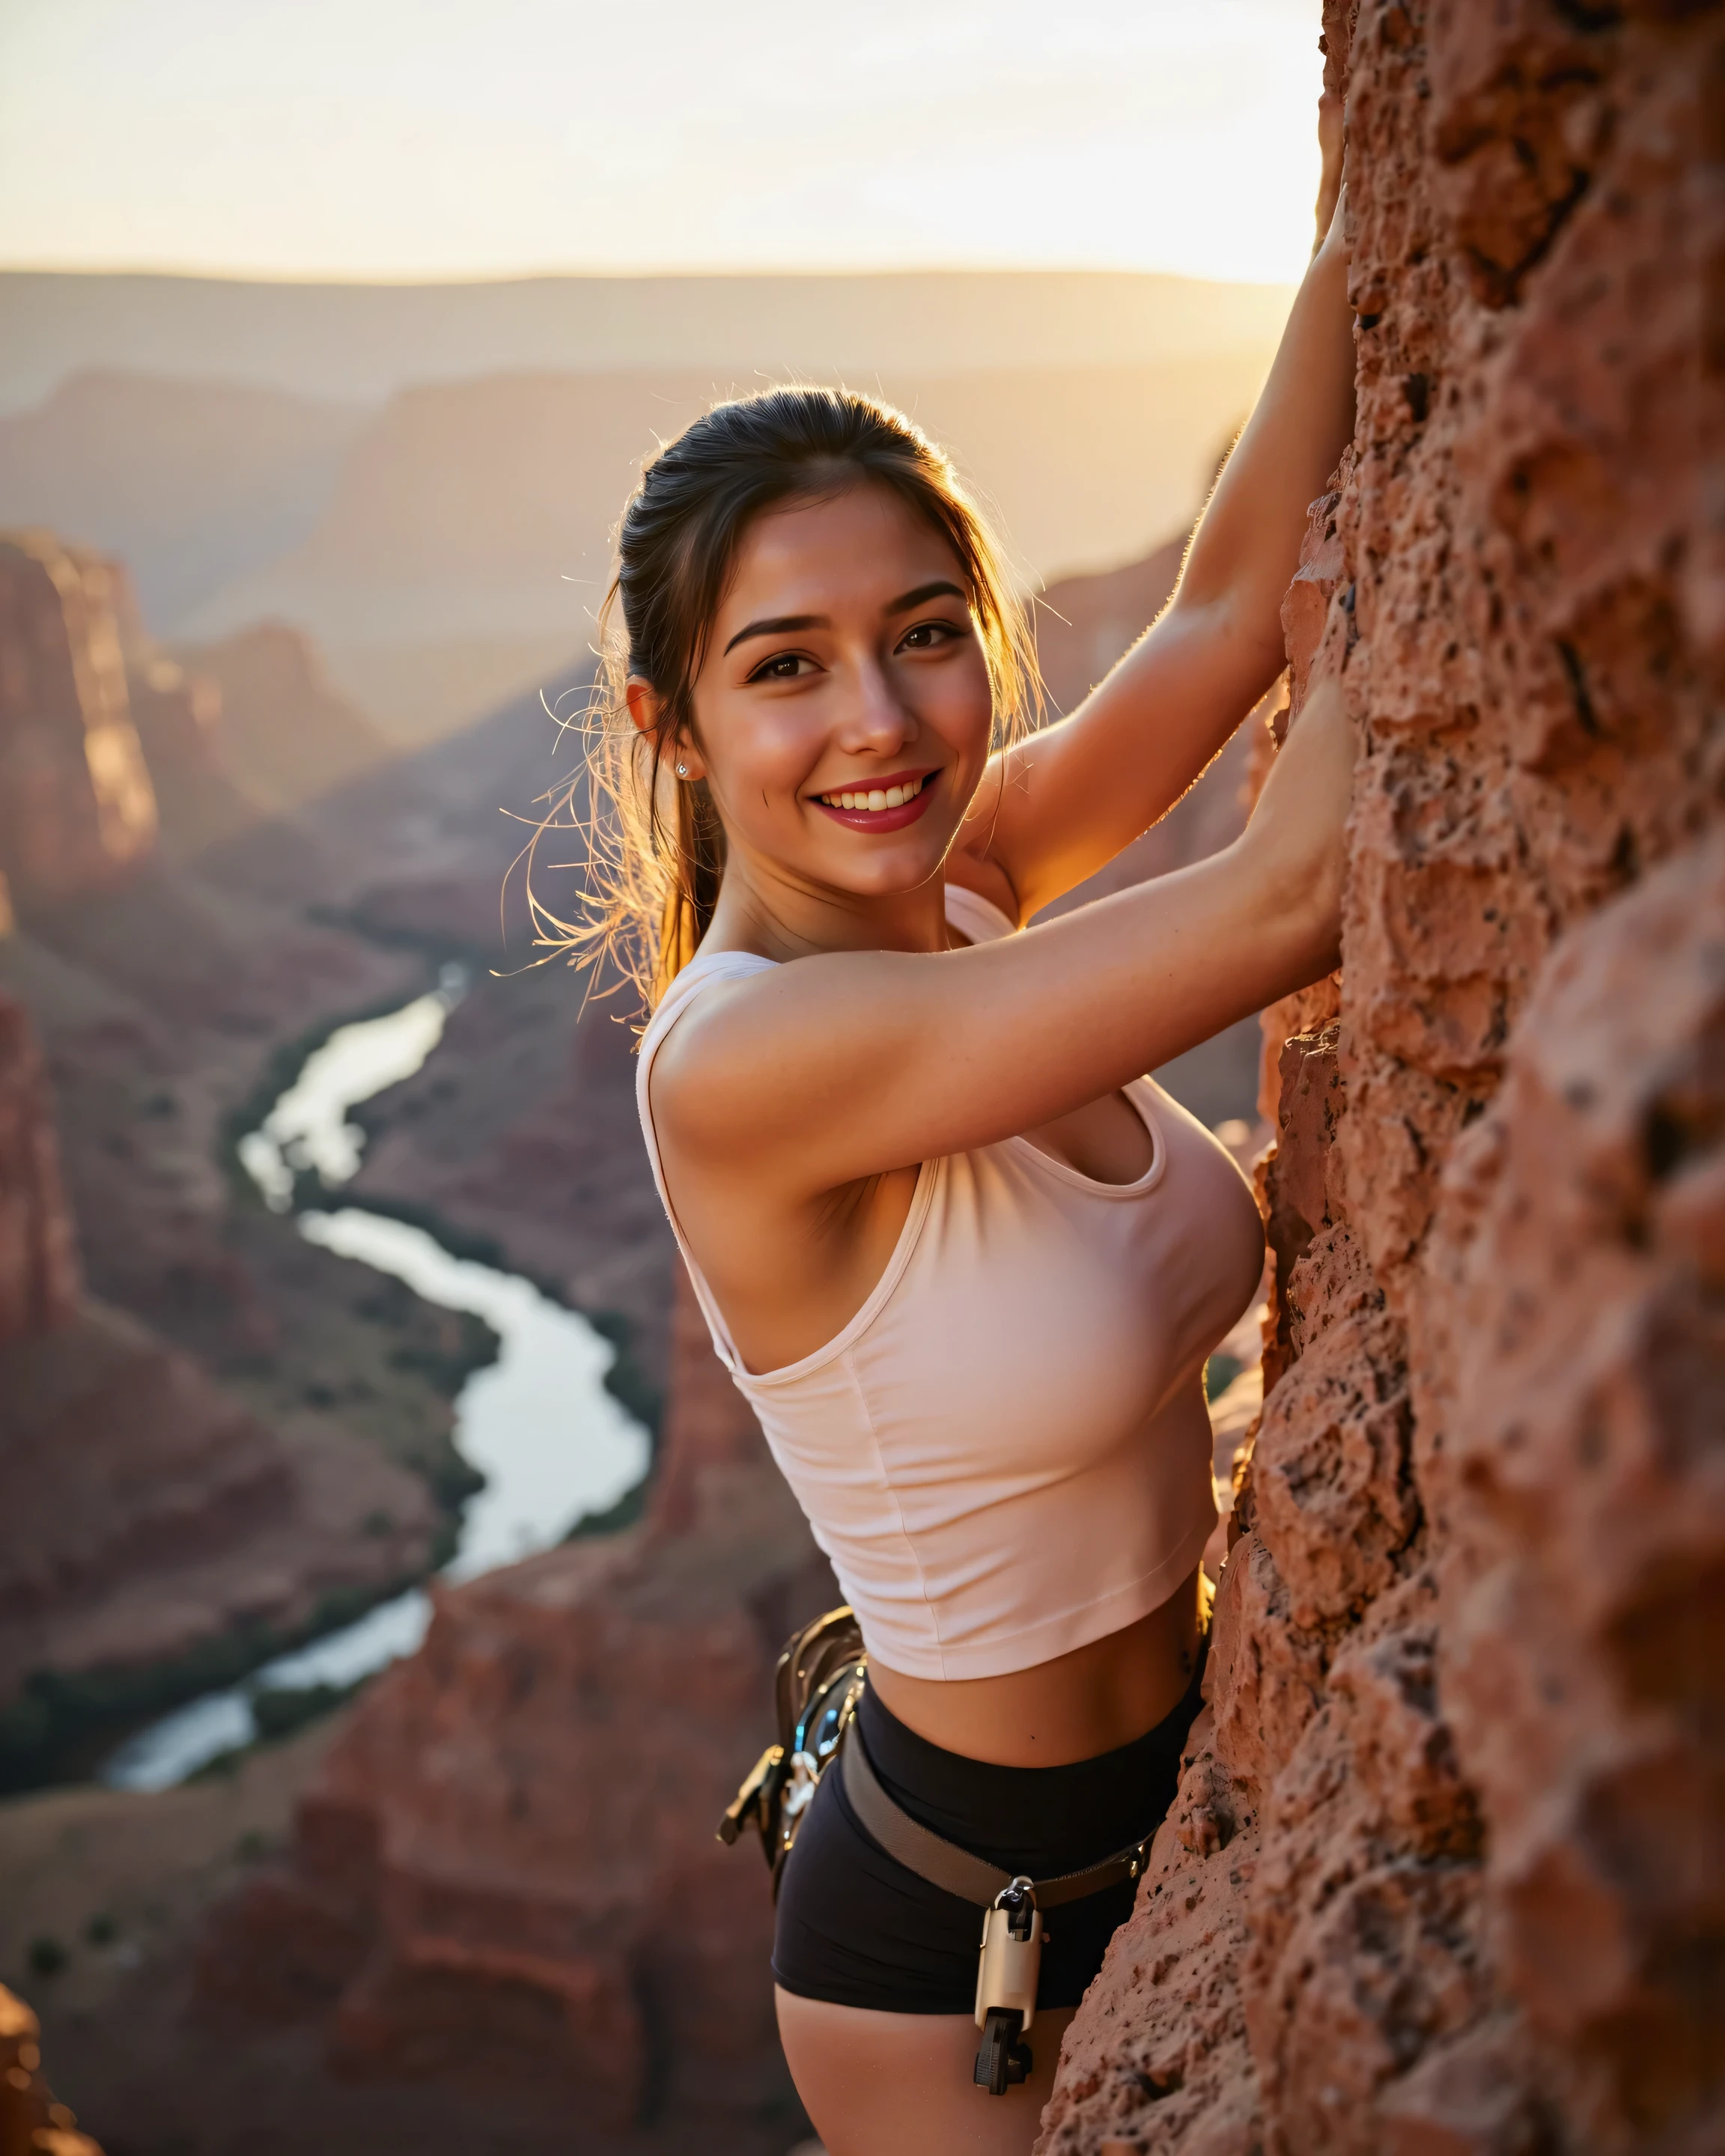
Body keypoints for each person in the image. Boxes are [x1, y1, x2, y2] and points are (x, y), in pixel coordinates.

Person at [562, 189, 1356, 2155]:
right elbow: (1297, 889)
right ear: (670, 729)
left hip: (1207, 1782)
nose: (882, 721)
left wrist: (1382, 229)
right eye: (787, 668)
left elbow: (1219, 615)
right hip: (949, 1955)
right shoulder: (742, 1062)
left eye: (927, 637)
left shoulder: (964, 891)